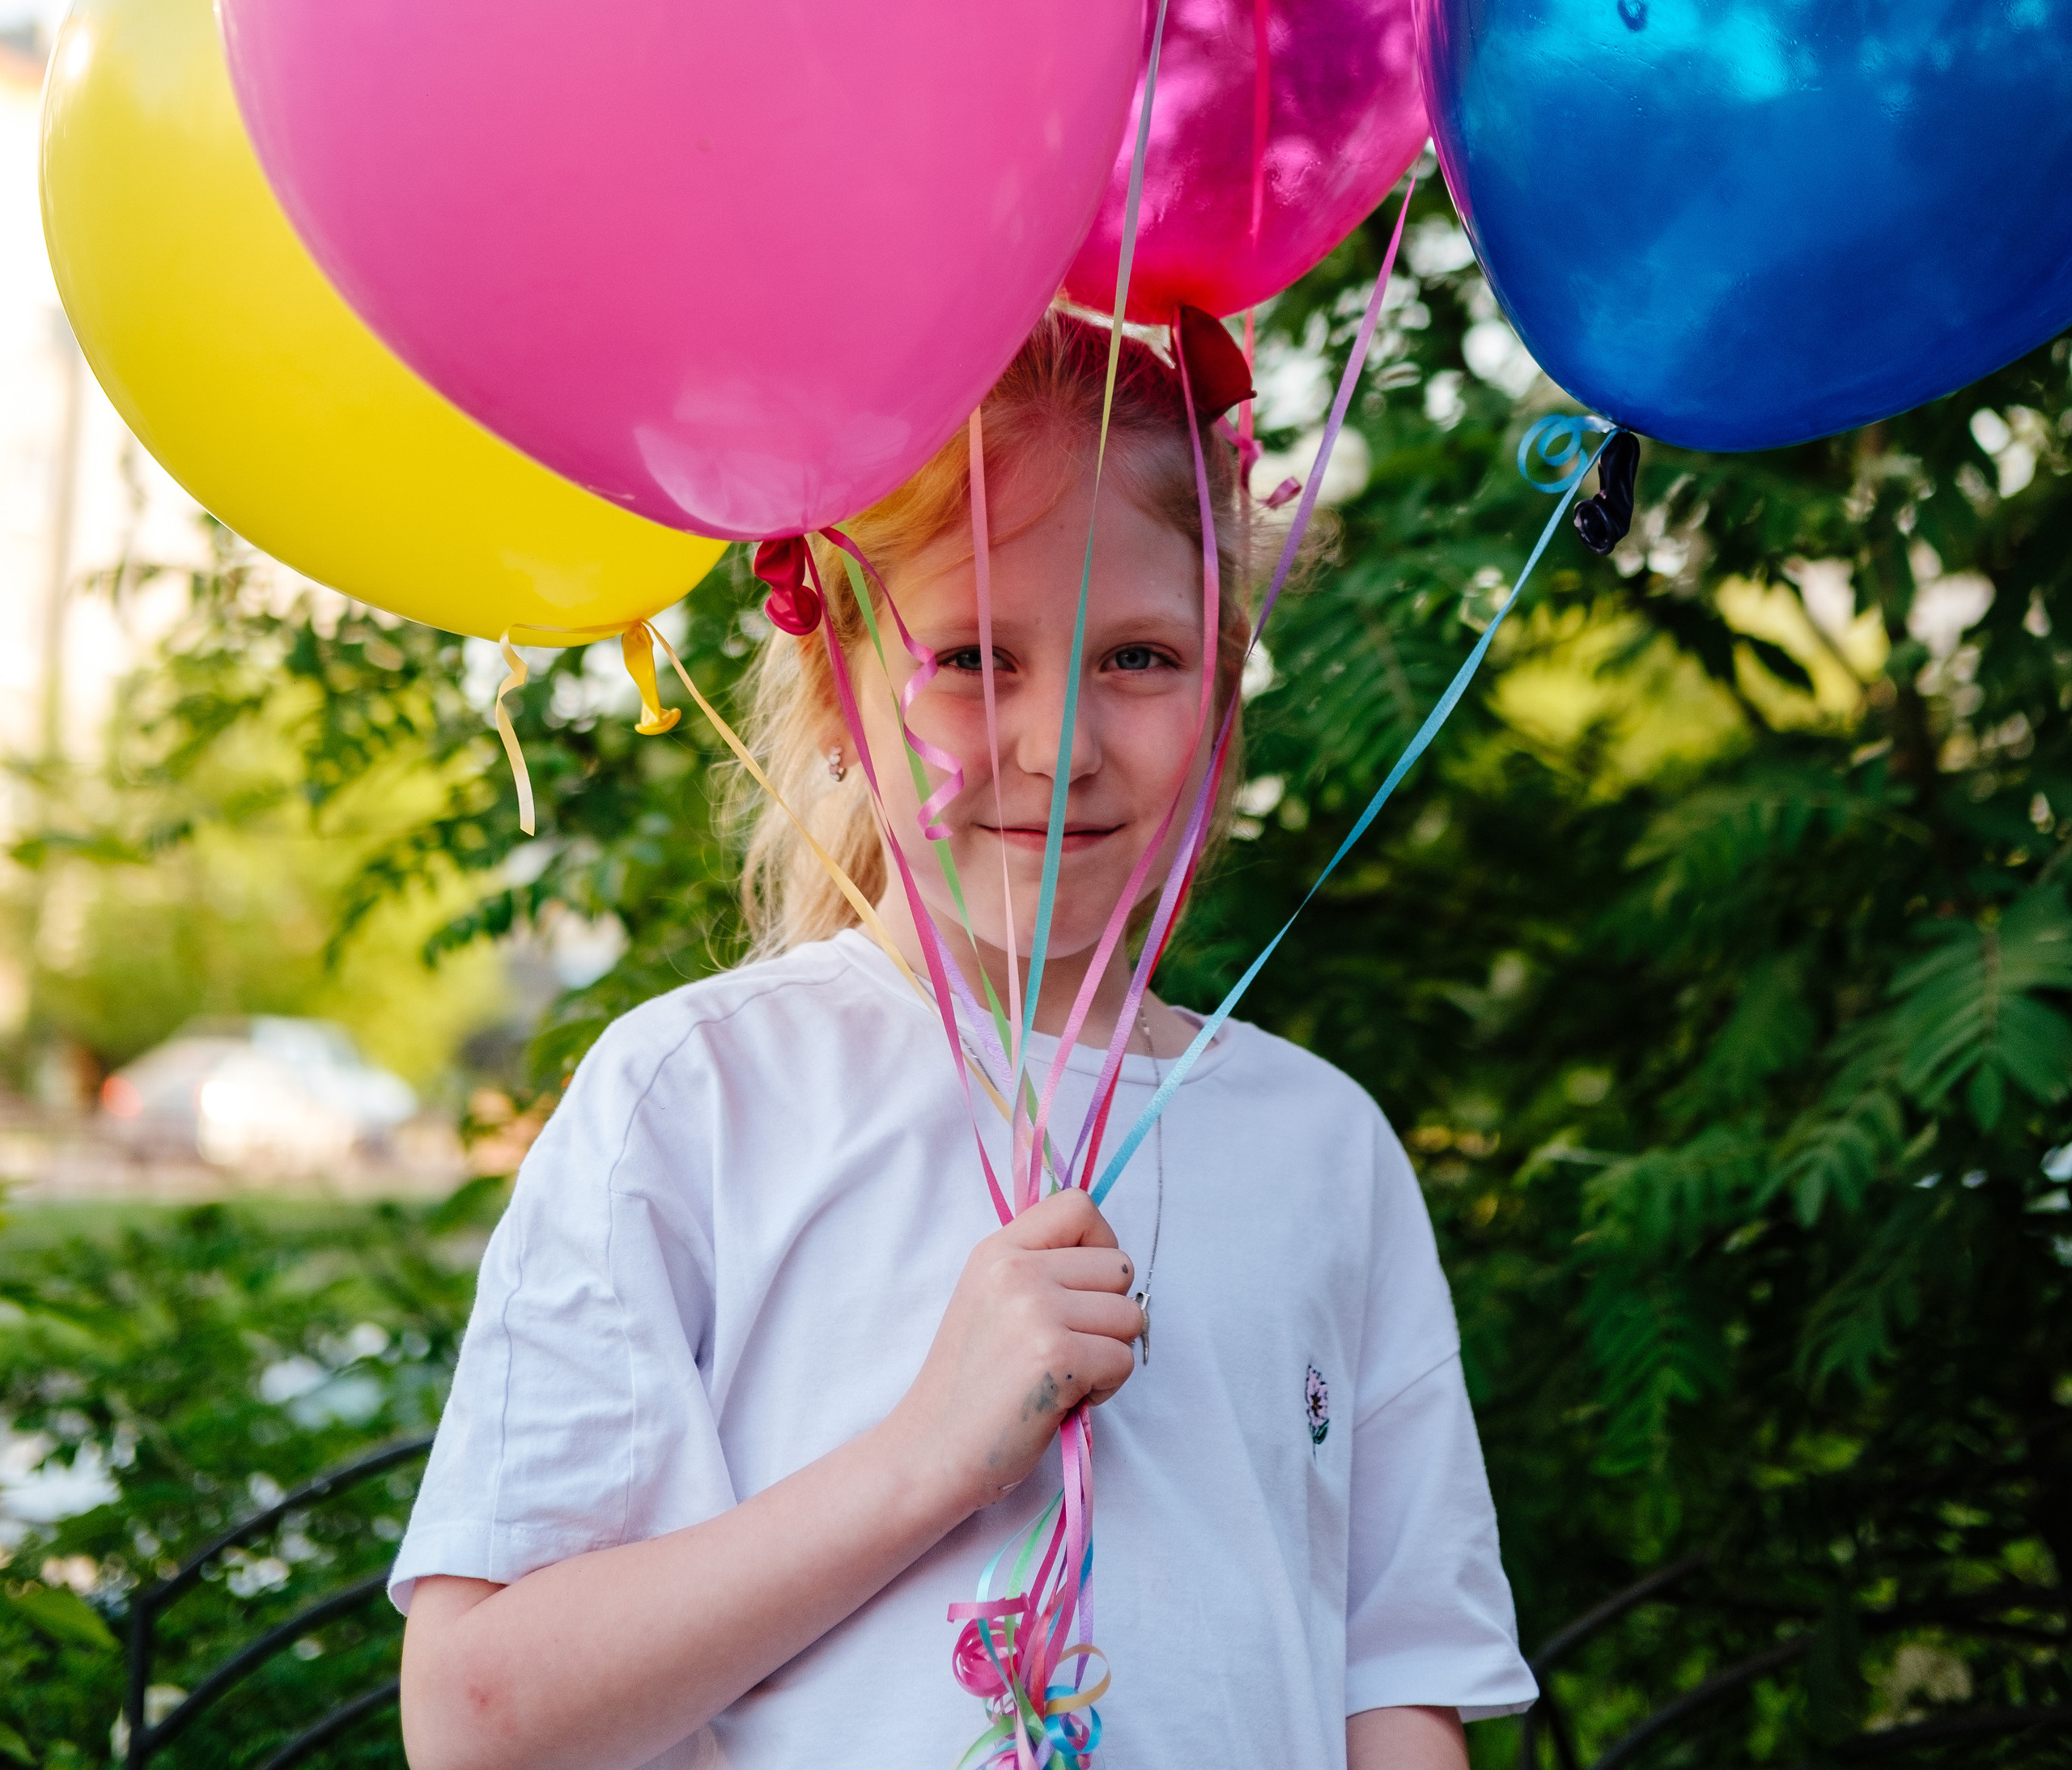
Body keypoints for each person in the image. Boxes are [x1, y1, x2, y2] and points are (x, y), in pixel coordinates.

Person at [394, 310, 1537, 1770]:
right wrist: (926, 1458)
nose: (1061, 745)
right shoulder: (694, 1100)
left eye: (1140, 657)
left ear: (1226, 699)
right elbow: (476, 1718)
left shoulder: (1326, 1148)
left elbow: (1396, 1692)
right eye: (973, 657)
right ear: (835, 692)